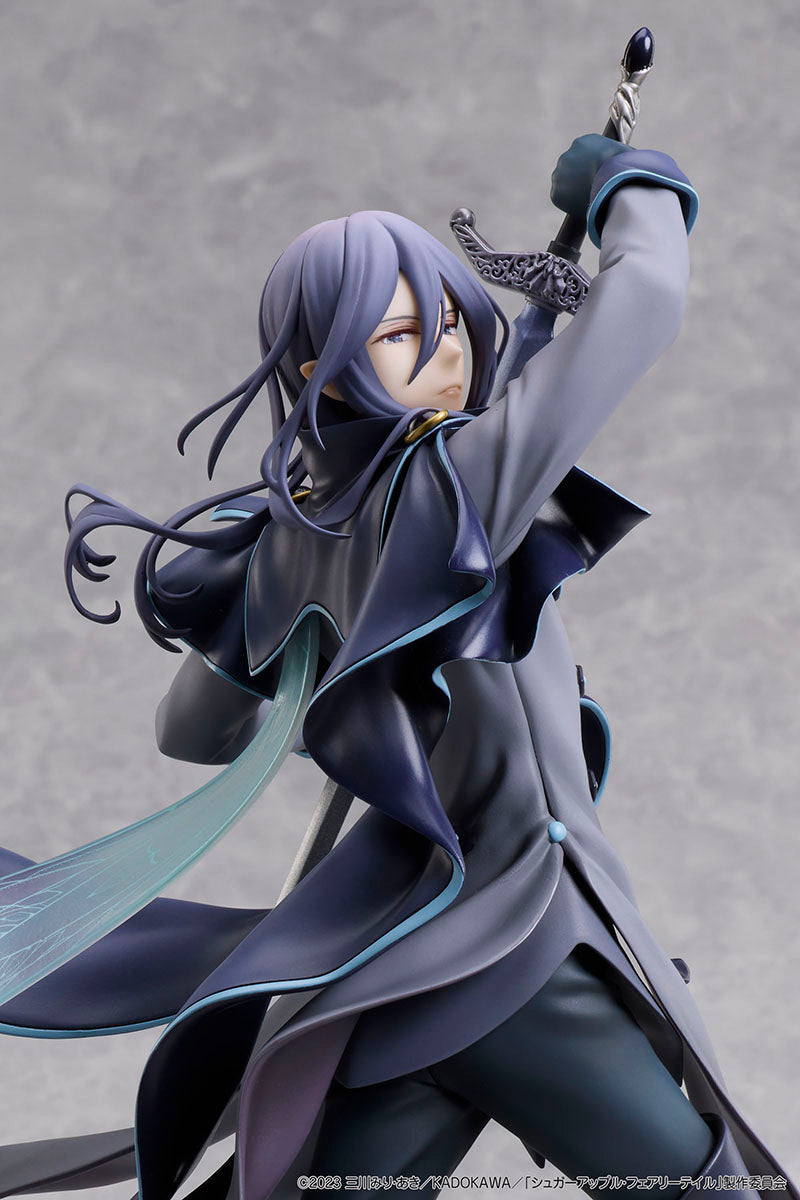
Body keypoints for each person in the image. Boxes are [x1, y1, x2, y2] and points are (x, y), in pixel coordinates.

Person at [0, 138, 794, 1200]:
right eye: (397, 335)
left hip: (403, 967)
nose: (443, 354)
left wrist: (305, 665)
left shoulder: (292, 529)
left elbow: (194, 733)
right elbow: (643, 295)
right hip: (511, 955)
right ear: (315, 367)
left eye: (448, 323)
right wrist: (623, 181)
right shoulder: (450, 488)